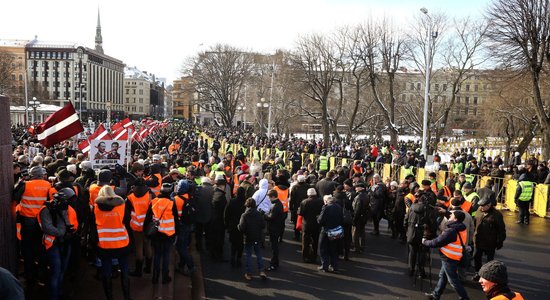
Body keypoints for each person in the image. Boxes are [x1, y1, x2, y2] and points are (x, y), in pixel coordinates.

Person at [89, 185, 132, 300]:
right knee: (124, 271)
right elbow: (127, 220)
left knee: (106, 272)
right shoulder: (121, 205)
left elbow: (92, 226)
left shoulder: (96, 207)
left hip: (104, 245)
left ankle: (110, 298)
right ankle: (127, 297)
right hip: (122, 243)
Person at [12, 166, 51, 285]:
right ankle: (41, 275)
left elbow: (15, 198)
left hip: (27, 220)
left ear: (31, 174)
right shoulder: (48, 185)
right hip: (42, 221)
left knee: (27, 248)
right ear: (41, 174)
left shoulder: (25, 185)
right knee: (41, 247)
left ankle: (29, 275)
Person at [38, 188, 78, 300]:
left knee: (61, 271)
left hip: (66, 243)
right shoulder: (46, 209)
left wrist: (64, 213)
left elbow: (74, 226)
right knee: (56, 271)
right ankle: (54, 296)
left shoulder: (69, 209)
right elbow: (47, 228)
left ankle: (59, 292)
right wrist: (62, 231)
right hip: (53, 244)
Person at [423, 210, 470, 300]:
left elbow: (436, 242)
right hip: (454, 256)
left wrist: (425, 242)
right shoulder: (461, 228)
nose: (449, 216)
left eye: (451, 215)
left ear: (455, 219)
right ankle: (436, 295)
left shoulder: (451, 230)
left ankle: (465, 298)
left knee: (453, 280)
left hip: (449, 257)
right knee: (443, 277)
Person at [144, 183, 178, 284]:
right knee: (166, 255)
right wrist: (177, 233)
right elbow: (175, 219)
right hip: (168, 233)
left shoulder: (154, 201)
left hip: (156, 233)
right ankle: (165, 277)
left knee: (157, 255)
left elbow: (148, 217)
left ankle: (155, 277)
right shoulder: (172, 203)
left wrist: (145, 231)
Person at [405, 187, 438, 278]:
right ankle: (420, 272)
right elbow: (433, 224)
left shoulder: (411, 207)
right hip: (423, 234)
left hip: (412, 233)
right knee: (422, 253)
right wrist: (432, 233)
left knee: (412, 252)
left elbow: (406, 220)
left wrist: (408, 230)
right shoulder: (429, 209)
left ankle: (411, 270)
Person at [472, 197, 506, 281]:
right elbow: (475, 223)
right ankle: (478, 273)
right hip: (478, 240)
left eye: (483, 206)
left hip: (490, 242)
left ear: (489, 205)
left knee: (489, 260)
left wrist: (500, 241)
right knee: (476, 257)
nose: (481, 207)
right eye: (480, 206)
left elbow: (501, 229)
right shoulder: (479, 211)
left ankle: (487, 275)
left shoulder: (497, 215)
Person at [126, 178, 154, 277]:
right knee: (148, 245)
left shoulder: (130, 196)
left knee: (139, 247)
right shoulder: (150, 195)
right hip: (148, 225)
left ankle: (138, 271)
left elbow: (127, 211)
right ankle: (148, 268)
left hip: (136, 225)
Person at [238, 198, 267, 281]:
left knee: (248, 255)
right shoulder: (259, 214)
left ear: (247, 205)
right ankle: (262, 271)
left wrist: (238, 226)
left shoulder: (245, 215)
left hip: (248, 237)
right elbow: (263, 225)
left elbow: (241, 228)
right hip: (257, 237)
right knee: (259, 254)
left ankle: (249, 273)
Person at [317, 195, 344, 272]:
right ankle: (334, 266)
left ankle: (324, 266)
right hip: (336, 231)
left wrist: (318, 218)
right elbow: (342, 219)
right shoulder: (339, 207)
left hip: (326, 231)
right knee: (334, 249)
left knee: (323, 248)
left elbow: (320, 220)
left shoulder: (326, 207)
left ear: (325, 201)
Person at [298, 188, 324, 263]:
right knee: (315, 241)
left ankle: (305, 256)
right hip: (316, 224)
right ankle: (314, 256)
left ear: (308, 194)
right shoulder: (320, 201)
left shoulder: (304, 202)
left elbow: (301, 213)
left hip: (306, 224)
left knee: (305, 241)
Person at [264, 189, 285, 271]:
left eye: (269, 197)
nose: (268, 199)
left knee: (274, 247)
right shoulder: (278, 203)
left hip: (274, 229)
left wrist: (264, 215)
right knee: (274, 246)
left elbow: (271, 217)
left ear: (272, 196)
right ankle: (276, 262)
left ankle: (273, 264)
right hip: (277, 228)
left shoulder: (276, 206)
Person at [352, 182, 369, 253]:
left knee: (355, 233)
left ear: (361, 188)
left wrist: (354, 219)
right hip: (364, 216)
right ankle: (362, 246)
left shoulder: (358, 197)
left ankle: (356, 247)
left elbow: (357, 209)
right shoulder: (366, 195)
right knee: (362, 232)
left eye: (357, 187)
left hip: (358, 217)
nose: (356, 188)